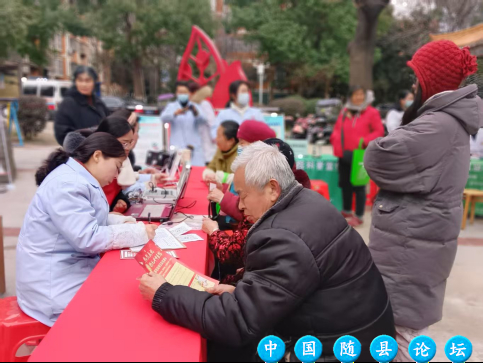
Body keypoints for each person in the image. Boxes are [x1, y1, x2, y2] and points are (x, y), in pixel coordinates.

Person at [139, 142, 395, 362]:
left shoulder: (283, 238)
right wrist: (244, 291)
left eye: (243, 195)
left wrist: (165, 294)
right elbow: (284, 286)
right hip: (351, 331)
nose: (238, 205)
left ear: (272, 189)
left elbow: (238, 321)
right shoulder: (307, 201)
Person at [364, 40, 482, 362]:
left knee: (399, 336)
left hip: (409, 250)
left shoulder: (436, 125)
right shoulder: (445, 122)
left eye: (417, 76)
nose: (414, 85)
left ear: (432, 79)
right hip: (416, 244)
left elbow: (378, 156)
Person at [17, 133, 158, 327]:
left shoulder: (79, 177)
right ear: (97, 156)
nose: (116, 175)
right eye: (116, 167)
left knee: (125, 291)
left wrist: (122, 223)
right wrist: (139, 233)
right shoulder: (68, 185)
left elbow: (89, 217)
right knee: (124, 306)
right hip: (52, 286)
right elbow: (87, 238)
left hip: (67, 269)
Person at [203, 139, 311, 284]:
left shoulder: (273, 227)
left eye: (244, 195)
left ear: (272, 188)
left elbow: (230, 255)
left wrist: (214, 231)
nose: (241, 206)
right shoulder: (296, 203)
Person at [330, 86, 384, 227]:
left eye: (361, 95)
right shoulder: (345, 111)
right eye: (355, 95)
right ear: (350, 97)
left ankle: (359, 215)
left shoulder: (372, 112)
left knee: (359, 185)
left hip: (360, 154)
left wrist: (365, 141)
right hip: (344, 154)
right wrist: (336, 144)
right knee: (345, 184)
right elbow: (337, 130)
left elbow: (379, 131)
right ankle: (347, 210)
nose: (358, 97)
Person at [54, 66, 110, 146]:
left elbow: (109, 124)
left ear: (94, 82)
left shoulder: (98, 103)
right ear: (75, 82)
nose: (84, 84)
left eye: (88, 80)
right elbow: (62, 133)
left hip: (100, 152)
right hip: (80, 154)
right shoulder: (68, 103)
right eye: (80, 80)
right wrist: (85, 148)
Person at [160, 81, 207, 167]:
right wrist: (174, 114)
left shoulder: (195, 106)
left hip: (193, 148)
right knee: (177, 171)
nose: (183, 94)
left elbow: (204, 121)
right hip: (177, 146)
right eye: (180, 92)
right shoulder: (172, 106)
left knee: (195, 172)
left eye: (185, 92)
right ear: (177, 93)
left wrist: (195, 113)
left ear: (189, 93)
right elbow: (163, 118)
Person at [190, 84, 217, 163]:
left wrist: (214, 137)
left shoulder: (204, 104)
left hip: (207, 147)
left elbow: (212, 122)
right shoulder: (193, 106)